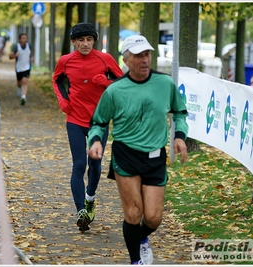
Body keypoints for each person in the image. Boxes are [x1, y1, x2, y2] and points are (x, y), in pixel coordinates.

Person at [87, 35, 188, 265]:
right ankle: (136, 261)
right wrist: (95, 141)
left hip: (155, 156)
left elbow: (179, 112)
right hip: (126, 155)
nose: (144, 60)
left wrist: (180, 136)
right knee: (133, 213)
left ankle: (142, 237)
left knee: (153, 217)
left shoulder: (165, 84)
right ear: (126, 60)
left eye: (147, 54)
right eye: (138, 55)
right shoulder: (115, 91)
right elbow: (99, 122)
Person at [52, 22, 123, 232]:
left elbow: (125, 84)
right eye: (81, 40)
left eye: (89, 39)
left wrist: (106, 83)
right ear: (73, 41)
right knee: (79, 164)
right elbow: (57, 81)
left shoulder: (105, 59)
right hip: (74, 120)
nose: (85, 44)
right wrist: (62, 101)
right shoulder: (65, 61)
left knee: (95, 163)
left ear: (95, 40)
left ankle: (90, 198)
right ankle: (81, 210)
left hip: (99, 122)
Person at [9, 33, 33, 106]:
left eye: (26, 38)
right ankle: (19, 89)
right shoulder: (16, 47)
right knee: (19, 83)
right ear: (20, 39)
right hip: (19, 67)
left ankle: (23, 97)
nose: (25, 40)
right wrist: (14, 55)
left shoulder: (29, 46)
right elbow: (10, 56)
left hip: (27, 67)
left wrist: (31, 58)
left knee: (25, 81)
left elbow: (31, 54)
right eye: (23, 38)